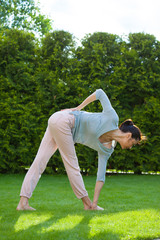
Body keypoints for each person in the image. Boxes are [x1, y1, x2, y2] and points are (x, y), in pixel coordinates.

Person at [17, 89, 144, 211]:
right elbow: (100, 93)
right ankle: (87, 204)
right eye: (133, 143)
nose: (131, 147)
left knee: (40, 161)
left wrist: (96, 203)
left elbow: (101, 177)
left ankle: (23, 203)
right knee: (71, 164)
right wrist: (78, 107)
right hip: (64, 120)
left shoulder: (107, 149)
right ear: (129, 136)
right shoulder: (112, 118)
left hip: (60, 123)